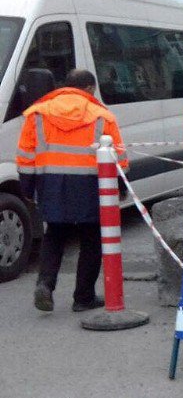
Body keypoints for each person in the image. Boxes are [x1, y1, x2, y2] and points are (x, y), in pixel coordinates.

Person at [16, 69, 129, 312]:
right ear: (89, 89)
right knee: (91, 239)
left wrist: (27, 189)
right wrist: (120, 187)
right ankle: (83, 297)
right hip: (91, 184)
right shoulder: (102, 115)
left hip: (51, 183)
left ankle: (45, 285)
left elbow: (25, 155)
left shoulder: (37, 113)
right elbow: (118, 157)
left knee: (54, 235)